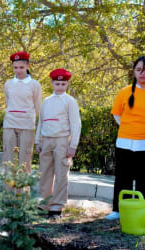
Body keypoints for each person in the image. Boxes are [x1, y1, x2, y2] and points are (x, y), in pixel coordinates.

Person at [106, 56, 145, 220]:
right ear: (134, 71)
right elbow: (117, 115)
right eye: (139, 69)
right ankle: (118, 210)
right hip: (126, 142)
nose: (142, 73)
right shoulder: (124, 92)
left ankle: (143, 210)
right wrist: (130, 128)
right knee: (122, 177)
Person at [35, 68, 81, 217]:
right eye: (57, 83)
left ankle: (57, 206)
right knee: (44, 172)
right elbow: (41, 122)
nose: (60, 86)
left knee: (61, 173)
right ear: (52, 83)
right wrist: (38, 141)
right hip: (46, 140)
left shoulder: (70, 101)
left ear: (67, 84)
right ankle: (44, 203)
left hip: (62, 140)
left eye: (63, 83)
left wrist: (72, 145)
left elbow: (76, 124)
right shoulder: (46, 101)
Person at [3, 51, 42, 173]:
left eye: (21, 67)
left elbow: (38, 108)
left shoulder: (35, 85)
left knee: (25, 160)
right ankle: (8, 191)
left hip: (27, 125)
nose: (18, 70)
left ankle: (23, 191)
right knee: (8, 159)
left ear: (27, 66)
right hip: (9, 124)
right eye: (15, 67)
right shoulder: (8, 84)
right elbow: (8, 102)